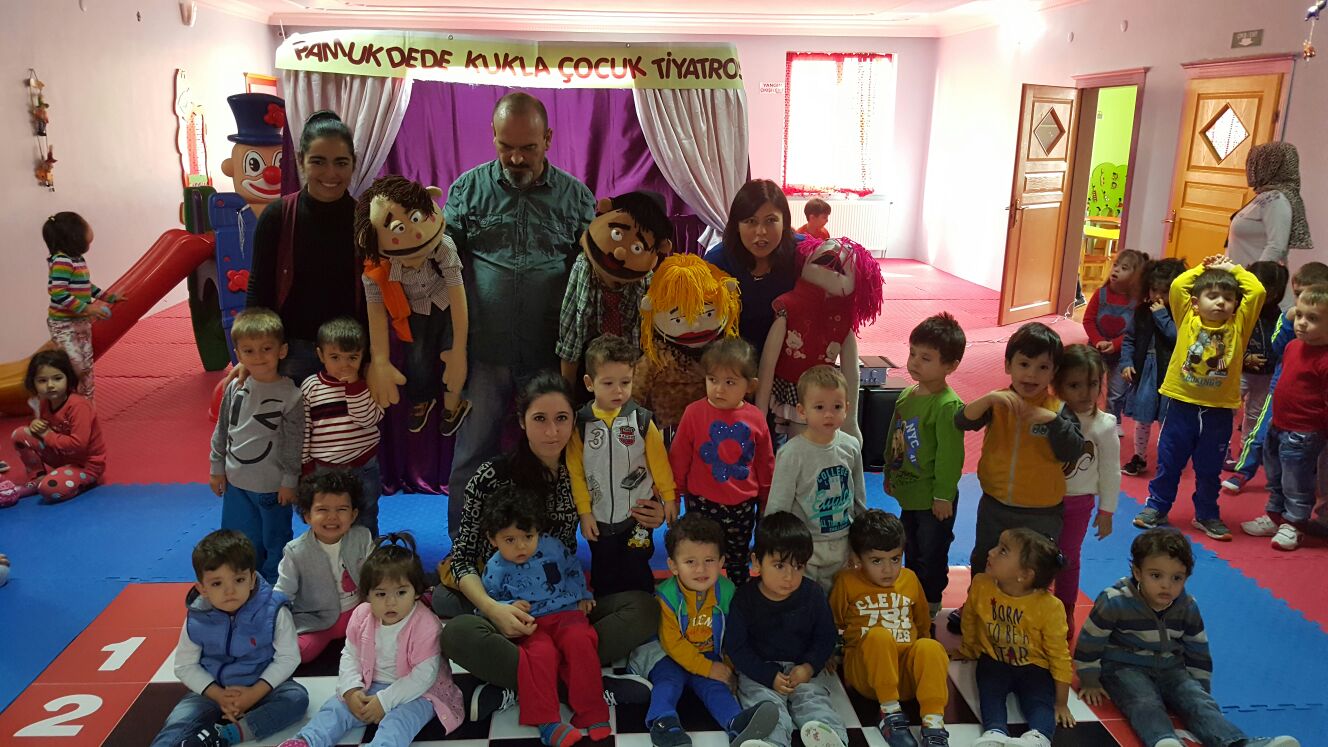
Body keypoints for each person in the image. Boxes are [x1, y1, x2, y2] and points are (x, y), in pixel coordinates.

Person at [435, 372, 657, 721]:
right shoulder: (492, 476)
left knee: (644, 608)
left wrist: (649, 514)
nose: (552, 431)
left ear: (574, 420)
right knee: (457, 633)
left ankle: (527, 682)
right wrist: (494, 609)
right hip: (511, 603)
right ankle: (580, 683)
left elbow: (627, 511)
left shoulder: (588, 471)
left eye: (561, 419)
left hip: (562, 604)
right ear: (522, 421)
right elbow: (463, 557)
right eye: (540, 419)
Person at [444, 91, 597, 539]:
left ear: (547, 139)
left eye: (527, 147)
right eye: (505, 146)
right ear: (492, 137)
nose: (515, 158)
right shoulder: (467, 189)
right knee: (471, 455)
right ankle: (463, 552)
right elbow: (441, 261)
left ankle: (548, 551)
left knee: (548, 457)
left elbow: (595, 271)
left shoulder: (575, 196)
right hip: (484, 352)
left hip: (549, 355)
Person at [1074, 529, 1300, 747]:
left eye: (1177, 578)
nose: (1166, 585)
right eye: (1156, 576)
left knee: (1199, 703)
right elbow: (1090, 641)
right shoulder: (1115, 601)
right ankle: (1163, 740)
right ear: (1137, 573)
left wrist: (1199, 688)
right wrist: (1089, 679)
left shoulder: (1187, 606)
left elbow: (1197, 648)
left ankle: (1237, 742)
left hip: (1171, 669)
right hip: (1124, 668)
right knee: (1143, 701)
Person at [948, 322, 1083, 633]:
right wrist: (988, 399)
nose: (1031, 375)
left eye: (1042, 367)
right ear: (1008, 365)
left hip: (1042, 511)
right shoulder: (999, 402)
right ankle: (977, 607)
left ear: (1054, 372)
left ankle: (1030, 619)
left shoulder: (1058, 409)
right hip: (996, 504)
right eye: (1024, 364)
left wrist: (1052, 421)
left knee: (1035, 568)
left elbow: (1072, 449)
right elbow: (962, 420)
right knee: (985, 559)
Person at [278, 534, 463, 747]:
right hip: (370, 684)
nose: (391, 602)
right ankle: (306, 741)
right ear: (367, 595)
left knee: (399, 722)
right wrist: (351, 690)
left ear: (416, 592)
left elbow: (424, 676)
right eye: (381, 594)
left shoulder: (426, 624)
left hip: (419, 693)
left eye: (401, 592)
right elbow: (350, 655)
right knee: (334, 709)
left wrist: (384, 701)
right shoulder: (361, 615)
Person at [1134, 256, 1265, 540]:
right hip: (1182, 404)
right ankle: (1157, 506)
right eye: (1212, 296)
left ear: (1235, 304)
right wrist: (1204, 268)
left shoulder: (1239, 325)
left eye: (1227, 298)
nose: (1220, 303)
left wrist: (1231, 269)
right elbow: (1179, 285)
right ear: (1195, 302)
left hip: (1218, 410)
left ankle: (1206, 514)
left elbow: (1257, 291)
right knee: (1170, 461)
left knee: (1209, 468)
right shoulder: (1187, 319)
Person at [629, 513, 780, 747]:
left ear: (721, 562)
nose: (701, 569)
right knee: (668, 682)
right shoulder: (666, 596)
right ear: (673, 566)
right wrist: (708, 668)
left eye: (709, 560)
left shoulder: (727, 591)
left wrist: (727, 667)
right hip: (669, 655)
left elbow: (734, 634)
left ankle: (737, 723)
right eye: (690, 562)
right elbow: (672, 643)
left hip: (707, 653)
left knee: (716, 688)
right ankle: (663, 722)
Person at [150, 530, 308, 747]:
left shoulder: (274, 611)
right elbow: (185, 666)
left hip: (263, 685)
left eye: (239, 580)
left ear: (252, 579)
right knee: (179, 721)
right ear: (202, 589)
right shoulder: (197, 618)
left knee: (296, 699)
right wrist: (218, 695)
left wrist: (254, 693)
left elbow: (288, 657)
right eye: (217, 584)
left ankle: (222, 736)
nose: (229, 591)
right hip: (213, 690)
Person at [480, 487, 608, 747]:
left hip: (566, 613)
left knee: (580, 640)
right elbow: (489, 603)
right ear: (493, 539)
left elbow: (573, 568)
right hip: (531, 624)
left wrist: (584, 594)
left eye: (528, 536)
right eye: (510, 540)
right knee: (540, 655)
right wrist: (509, 606)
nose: (521, 546)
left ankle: (591, 710)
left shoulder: (552, 546)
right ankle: (548, 722)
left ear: (538, 530)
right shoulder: (495, 567)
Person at [247, 110, 362, 385]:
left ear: (353, 164)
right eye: (318, 161)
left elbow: (376, 296)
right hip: (291, 352)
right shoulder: (277, 215)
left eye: (341, 162)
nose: (331, 173)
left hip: (350, 354)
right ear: (301, 161)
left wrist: (374, 358)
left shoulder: (366, 219)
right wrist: (252, 354)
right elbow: (259, 288)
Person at [355, 175, 471, 435]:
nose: (416, 233)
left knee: (452, 354)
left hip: (447, 304)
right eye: (399, 228)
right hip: (413, 312)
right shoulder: (375, 270)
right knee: (416, 359)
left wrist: (460, 350)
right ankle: (421, 398)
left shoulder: (443, 247)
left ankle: (453, 401)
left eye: (416, 218)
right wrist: (380, 360)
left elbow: (457, 292)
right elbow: (376, 315)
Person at [567, 334, 678, 597]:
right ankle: (608, 611)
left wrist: (669, 497)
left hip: (637, 516)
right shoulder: (581, 424)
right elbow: (576, 473)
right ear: (589, 383)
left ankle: (642, 606)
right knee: (604, 572)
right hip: (600, 516)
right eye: (608, 383)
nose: (618, 391)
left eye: (625, 382)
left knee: (637, 568)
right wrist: (584, 512)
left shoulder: (641, 420)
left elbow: (660, 463)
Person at [724, 512, 847, 747]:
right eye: (779, 565)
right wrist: (766, 675)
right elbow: (737, 647)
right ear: (757, 562)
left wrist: (809, 666)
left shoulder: (813, 594)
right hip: (760, 670)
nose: (789, 576)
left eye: (798, 566)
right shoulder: (744, 598)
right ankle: (769, 741)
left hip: (802, 669)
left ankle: (830, 738)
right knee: (763, 703)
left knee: (814, 700)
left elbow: (825, 636)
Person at [830, 510, 950, 747]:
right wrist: (831, 652)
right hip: (867, 676)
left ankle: (933, 722)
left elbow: (922, 624)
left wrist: (926, 661)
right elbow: (832, 621)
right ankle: (889, 714)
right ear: (857, 558)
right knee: (878, 636)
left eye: (895, 559)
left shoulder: (910, 579)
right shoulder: (847, 581)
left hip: (906, 676)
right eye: (877, 561)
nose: (888, 570)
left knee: (930, 647)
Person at [669, 338, 775, 585]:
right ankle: (700, 596)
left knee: (737, 560)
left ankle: (736, 598)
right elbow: (678, 458)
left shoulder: (755, 417)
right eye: (712, 380)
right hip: (702, 503)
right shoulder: (694, 413)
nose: (719, 389)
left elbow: (765, 463)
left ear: (750, 386)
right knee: (701, 556)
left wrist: (767, 501)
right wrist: (672, 497)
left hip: (743, 506)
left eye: (730, 382)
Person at [210, 308, 305, 582]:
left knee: (275, 540)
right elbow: (222, 429)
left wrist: (289, 480)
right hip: (236, 483)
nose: (258, 357)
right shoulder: (234, 387)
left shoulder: (291, 395)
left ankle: (276, 587)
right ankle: (242, 582)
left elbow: (294, 443)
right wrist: (216, 468)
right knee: (238, 540)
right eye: (249, 351)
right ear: (238, 355)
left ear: (282, 350)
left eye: (266, 349)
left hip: (271, 487)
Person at [955, 529, 1073, 747]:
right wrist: (968, 649)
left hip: (1034, 666)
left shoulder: (1049, 606)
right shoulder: (981, 584)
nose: (991, 552)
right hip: (994, 660)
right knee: (989, 693)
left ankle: (1038, 737)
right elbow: (969, 620)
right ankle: (994, 731)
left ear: (1025, 575)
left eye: (1003, 551)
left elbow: (1059, 655)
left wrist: (1061, 703)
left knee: (1039, 700)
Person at [884, 313, 966, 619]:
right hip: (910, 491)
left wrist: (943, 495)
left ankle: (929, 603)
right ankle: (912, 594)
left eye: (926, 358)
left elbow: (950, 455)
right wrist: (889, 471)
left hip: (934, 499)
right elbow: (894, 436)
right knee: (911, 548)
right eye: (912, 353)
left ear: (950, 366)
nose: (915, 362)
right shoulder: (907, 395)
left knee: (931, 552)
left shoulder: (947, 405)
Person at [1226, 262, 1328, 496]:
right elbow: (1277, 346)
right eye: (1298, 294)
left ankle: (1302, 488)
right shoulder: (1290, 317)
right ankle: (1243, 471)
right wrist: (1290, 322)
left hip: (1312, 399)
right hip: (1281, 388)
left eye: (1308, 294)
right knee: (1262, 433)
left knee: (1309, 443)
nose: (1302, 301)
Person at [1242, 283, 1328, 551]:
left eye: (1312, 318)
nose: (1301, 322)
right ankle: (1275, 516)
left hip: (1304, 433)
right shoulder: (1293, 346)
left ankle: (1294, 523)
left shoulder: (1325, 359)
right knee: (1275, 477)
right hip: (1278, 425)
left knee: (1297, 481)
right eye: (1299, 315)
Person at [765, 365, 866, 592]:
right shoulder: (792, 453)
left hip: (842, 541)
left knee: (838, 597)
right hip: (805, 544)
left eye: (836, 407)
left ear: (847, 408)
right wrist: (775, 548)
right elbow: (778, 505)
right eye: (819, 407)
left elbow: (858, 495)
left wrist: (859, 541)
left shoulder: (850, 446)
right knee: (804, 596)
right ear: (802, 411)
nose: (829, 414)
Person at [274, 470, 375, 663]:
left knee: (386, 644)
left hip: (360, 613)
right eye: (322, 510)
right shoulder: (296, 551)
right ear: (307, 516)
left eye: (341, 509)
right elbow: (283, 592)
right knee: (297, 653)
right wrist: (275, 621)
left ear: (353, 515)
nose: (332, 517)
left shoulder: (362, 537)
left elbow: (376, 576)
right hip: (317, 620)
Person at [1051, 345, 1118, 634]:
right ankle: (1036, 607)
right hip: (1042, 500)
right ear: (1058, 385)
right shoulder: (1050, 416)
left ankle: (1065, 610)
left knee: (1068, 558)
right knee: (1038, 554)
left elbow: (1111, 471)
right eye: (1074, 385)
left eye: (1092, 384)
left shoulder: (1104, 425)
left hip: (1078, 503)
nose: (1085, 393)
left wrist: (1107, 511)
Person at [301, 317, 384, 536]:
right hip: (325, 469)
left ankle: (368, 555)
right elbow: (304, 430)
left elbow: (368, 419)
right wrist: (306, 467)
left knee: (366, 514)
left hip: (364, 465)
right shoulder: (311, 386)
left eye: (352, 358)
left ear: (362, 356)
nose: (344, 365)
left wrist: (354, 386)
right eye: (335, 357)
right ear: (321, 355)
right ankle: (333, 554)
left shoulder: (369, 382)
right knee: (330, 519)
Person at [704, 180, 802, 353]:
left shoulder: (803, 254)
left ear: (785, 223)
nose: (761, 231)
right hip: (734, 359)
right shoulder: (716, 263)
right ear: (737, 226)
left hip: (791, 355)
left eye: (771, 220)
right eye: (751, 221)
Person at [1, 349, 105, 506]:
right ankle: (37, 477)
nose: (50, 385)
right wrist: (35, 425)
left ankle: (83, 482)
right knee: (20, 434)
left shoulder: (79, 406)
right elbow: (45, 428)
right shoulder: (45, 402)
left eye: (57, 378)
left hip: (86, 465)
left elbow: (79, 444)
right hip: (62, 457)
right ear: (33, 382)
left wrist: (47, 434)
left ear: (68, 378)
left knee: (49, 489)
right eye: (42, 381)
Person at [1220, 261, 1289, 494]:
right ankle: (1222, 449)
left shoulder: (1278, 316)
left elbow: (1280, 345)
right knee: (1227, 410)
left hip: (1266, 375)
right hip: (1239, 371)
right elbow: (1229, 341)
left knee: (1255, 415)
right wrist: (1244, 358)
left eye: (1270, 289)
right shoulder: (1242, 310)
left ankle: (1245, 452)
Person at [42, 211, 122, 399]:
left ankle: (86, 405)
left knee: (86, 366)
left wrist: (109, 297)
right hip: (63, 324)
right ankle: (67, 400)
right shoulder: (62, 261)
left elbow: (86, 285)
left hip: (81, 322)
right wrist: (87, 308)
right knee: (75, 365)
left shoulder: (77, 259)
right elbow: (58, 292)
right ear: (74, 236)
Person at [1120, 259, 1186, 477]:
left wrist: (1162, 315)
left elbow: (1178, 339)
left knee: (1167, 419)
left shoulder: (1180, 314)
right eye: (1153, 289)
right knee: (1143, 417)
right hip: (1146, 373)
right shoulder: (1141, 311)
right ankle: (1139, 457)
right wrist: (1127, 362)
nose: (1157, 296)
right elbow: (1129, 339)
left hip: (1170, 374)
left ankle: (1167, 458)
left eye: (1164, 292)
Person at [1083, 249, 1146, 432]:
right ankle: (1085, 415)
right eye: (1116, 265)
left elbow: (1135, 331)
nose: (1116, 270)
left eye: (1124, 268)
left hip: (1122, 354)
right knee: (1088, 383)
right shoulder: (1100, 294)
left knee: (1117, 390)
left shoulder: (1137, 302)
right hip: (1096, 349)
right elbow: (1088, 320)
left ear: (1135, 276)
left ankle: (1112, 421)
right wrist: (1098, 341)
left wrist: (1116, 345)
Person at [1227, 142, 1314, 270]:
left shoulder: (1276, 200)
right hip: (1240, 276)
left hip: (1255, 280)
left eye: (1255, 162)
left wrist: (1255, 277)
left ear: (1266, 165)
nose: (1250, 167)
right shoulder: (1264, 195)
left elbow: (1276, 247)